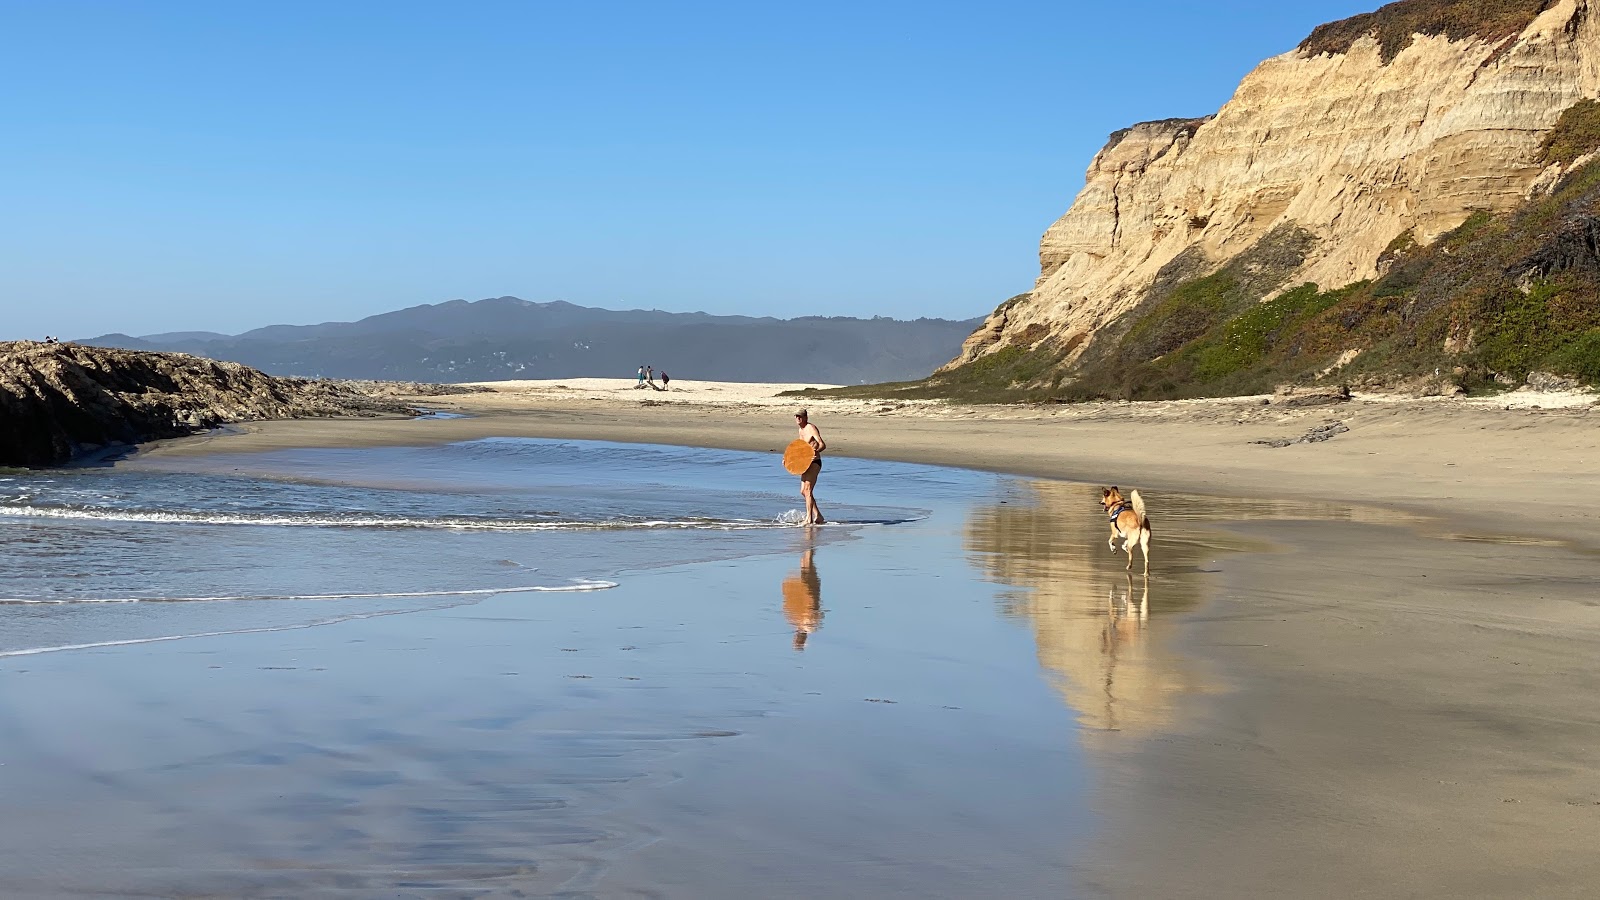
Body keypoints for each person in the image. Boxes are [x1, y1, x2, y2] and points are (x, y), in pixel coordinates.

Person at [795, 408, 825, 526]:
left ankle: (809, 518)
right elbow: (799, 448)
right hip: (805, 464)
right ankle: (818, 515)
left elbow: (822, 444)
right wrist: (788, 460)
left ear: (806, 417)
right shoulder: (800, 430)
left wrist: (815, 452)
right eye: (797, 416)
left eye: (800, 416)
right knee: (803, 491)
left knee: (808, 490)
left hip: (814, 462)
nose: (798, 418)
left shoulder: (811, 428)